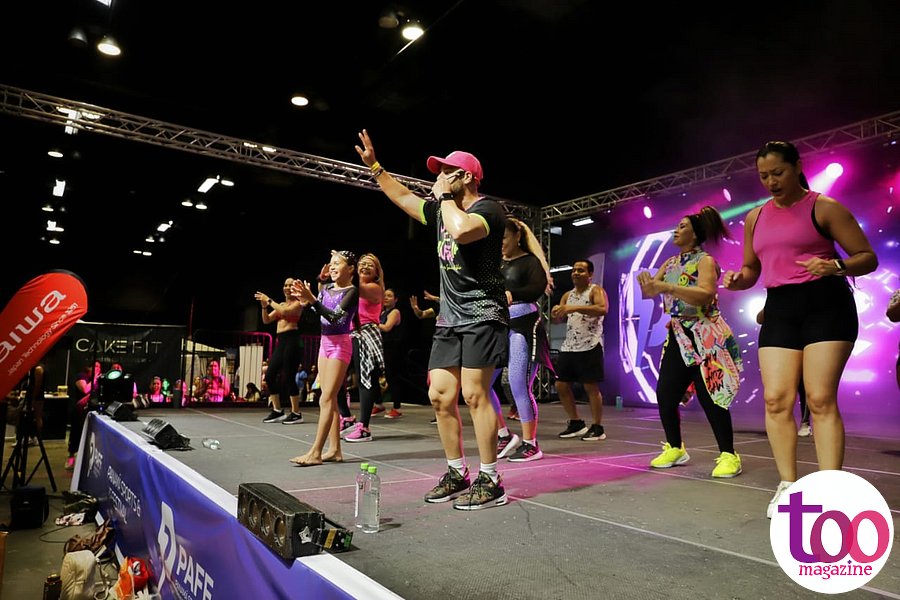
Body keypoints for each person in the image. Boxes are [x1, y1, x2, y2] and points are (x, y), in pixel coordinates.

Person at [723, 140, 878, 518]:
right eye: (764, 176)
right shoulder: (755, 217)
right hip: (780, 307)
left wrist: (836, 266)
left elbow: (867, 258)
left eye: (778, 173)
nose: (771, 182)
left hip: (826, 304)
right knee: (776, 399)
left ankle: (831, 489)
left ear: (796, 167)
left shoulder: (824, 207)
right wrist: (739, 280)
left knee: (820, 398)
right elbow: (751, 269)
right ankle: (788, 485)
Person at [356, 130, 509, 510]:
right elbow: (404, 197)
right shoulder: (441, 208)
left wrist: (443, 198)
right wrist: (376, 168)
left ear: (467, 176)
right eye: (438, 171)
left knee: (474, 394)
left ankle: (491, 478)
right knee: (439, 395)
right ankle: (457, 472)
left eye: (446, 171)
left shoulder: (489, 210)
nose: (438, 176)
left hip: (482, 313)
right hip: (449, 318)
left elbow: (462, 230)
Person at [637, 206, 744, 478]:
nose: (676, 230)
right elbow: (651, 292)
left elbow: (706, 294)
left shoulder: (705, 261)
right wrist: (647, 284)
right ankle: (675, 448)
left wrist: (667, 287)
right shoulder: (670, 263)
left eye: (683, 226)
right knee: (665, 394)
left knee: (712, 397)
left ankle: (729, 455)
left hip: (705, 336)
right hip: (679, 335)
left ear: (695, 234)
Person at [491, 217, 555, 462]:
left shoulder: (530, 262)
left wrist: (512, 293)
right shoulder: (495, 263)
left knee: (518, 384)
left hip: (523, 327)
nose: (500, 243)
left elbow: (536, 288)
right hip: (498, 328)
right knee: (481, 386)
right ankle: (503, 434)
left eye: (504, 238)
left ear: (517, 236)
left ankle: (531, 443)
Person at [289, 250, 359, 465]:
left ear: (351, 269)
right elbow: (317, 315)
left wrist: (312, 300)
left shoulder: (352, 291)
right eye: (331, 263)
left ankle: (316, 452)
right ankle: (335, 450)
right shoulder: (326, 289)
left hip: (340, 345)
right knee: (330, 397)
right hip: (324, 343)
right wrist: (306, 302)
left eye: (338, 263)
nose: (333, 267)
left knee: (326, 398)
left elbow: (336, 317)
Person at [550, 259, 608, 441]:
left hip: (590, 344)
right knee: (561, 385)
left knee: (590, 386)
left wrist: (574, 308)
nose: (576, 273)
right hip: (569, 346)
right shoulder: (567, 295)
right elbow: (558, 320)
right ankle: (576, 423)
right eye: (574, 270)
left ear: (590, 274)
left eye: (581, 270)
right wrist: (556, 313)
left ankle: (598, 427)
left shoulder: (596, 291)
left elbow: (602, 309)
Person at [343, 253, 387, 441]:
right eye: (362, 263)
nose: (365, 266)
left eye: (370, 265)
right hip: (347, 334)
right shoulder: (350, 288)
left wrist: (343, 268)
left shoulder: (374, 288)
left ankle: (364, 428)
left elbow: (356, 288)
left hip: (366, 333)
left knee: (365, 380)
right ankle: (346, 418)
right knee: (335, 380)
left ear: (377, 272)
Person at [256, 278, 305, 424]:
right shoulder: (281, 305)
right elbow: (266, 320)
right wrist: (264, 307)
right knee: (270, 375)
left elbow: (285, 312)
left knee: (289, 376)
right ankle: (277, 410)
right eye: (285, 285)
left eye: (290, 285)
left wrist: (269, 300)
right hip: (282, 342)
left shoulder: (298, 303)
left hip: (293, 340)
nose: (287, 287)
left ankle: (296, 413)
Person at [756, 309, 810, 436]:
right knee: (777, 393)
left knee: (805, 388)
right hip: (784, 344)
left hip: (805, 344)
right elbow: (759, 319)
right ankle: (782, 422)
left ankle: (805, 422)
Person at [67, 360, 100, 470]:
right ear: (88, 367)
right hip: (78, 410)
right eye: (95, 366)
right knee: (75, 434)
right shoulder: (81, 376)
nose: (97, 369)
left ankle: (84, 460)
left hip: (90, 411)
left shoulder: (97, 380)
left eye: (99, 367)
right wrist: (94, 379)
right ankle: (71, 458)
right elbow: (85, 389)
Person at [379, 287, 404, 419]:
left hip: (392, 349)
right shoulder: (383, 312)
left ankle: (397, 408)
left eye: (389, 296)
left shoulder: (395, 312)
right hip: (382, 347)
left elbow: (387, 327)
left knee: (392, 377)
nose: (386, 298)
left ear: (396, 299)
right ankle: (378, 404)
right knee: (374, 375)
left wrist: (370, 321)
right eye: (384, 295)